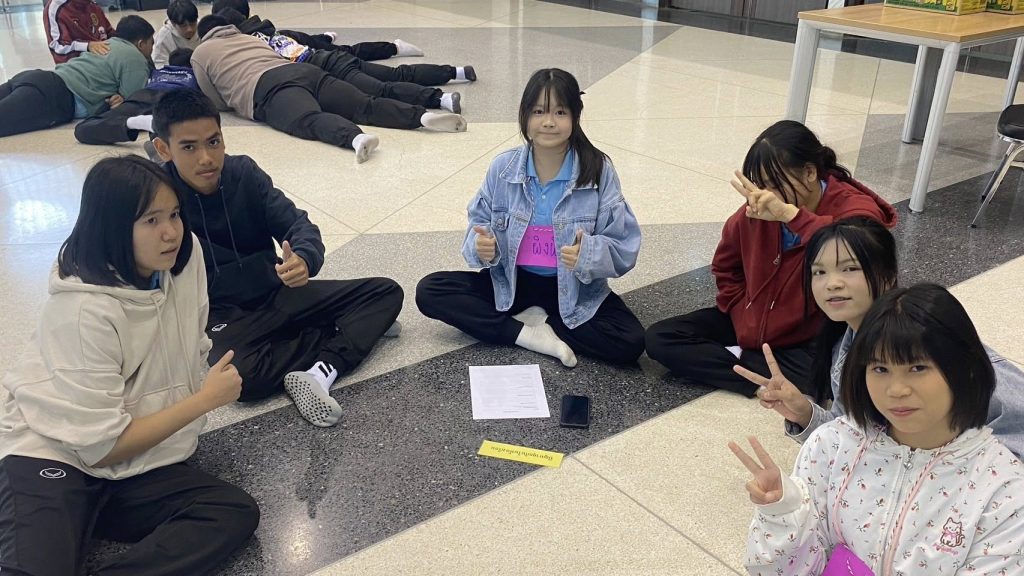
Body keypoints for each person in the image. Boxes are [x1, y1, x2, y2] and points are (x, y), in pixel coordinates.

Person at [0, 155, 259, 575]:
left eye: (174, 214)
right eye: (151, 220)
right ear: (114, 227)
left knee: (230, 511)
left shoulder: (183, 258)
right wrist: (205, 400)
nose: (171, 232)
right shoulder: (82, 312)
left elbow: (192, 338)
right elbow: (101, 447)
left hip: (134, 461)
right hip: (54, 454)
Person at [730, 283, 1024, 575]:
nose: (896, 390)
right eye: (880, 369)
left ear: (965, 368)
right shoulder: (831, 446)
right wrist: (783, 514)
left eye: (917, 368)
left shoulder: (1003, 489)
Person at [151, 89, 404, 427]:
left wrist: (303, 258)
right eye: (189, 147)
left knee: (385, 292)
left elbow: (297, 224)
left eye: (214, 142)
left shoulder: (243, 173)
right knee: (241, 378)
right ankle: (342, 333)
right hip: (222, 314)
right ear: (163, 149)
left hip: (277, 292)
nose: (206, 158)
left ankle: (319, 372)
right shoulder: (159, 198)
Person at [645, 120, 897, 397]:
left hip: (814, 332)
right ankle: (757, 376)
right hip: (755, 319)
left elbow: (857, 248)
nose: (764, 195)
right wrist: (743, 311)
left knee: (837, 378)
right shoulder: (754, 211)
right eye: (759, 184)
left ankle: (745, 361)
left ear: (810, 172)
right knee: (661, 337)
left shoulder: (854, 207)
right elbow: (725, 267)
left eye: (775, 183)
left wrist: (791, 216)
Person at [736, 217, 1024, 457]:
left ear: (887, 276)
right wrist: (803, 414)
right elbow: (850, 434)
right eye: (819, 272)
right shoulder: (845, 346)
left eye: (849, 268)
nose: (832, 283)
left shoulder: (938, 344)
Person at [416, 68, 644, 368]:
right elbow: (478, 223)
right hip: (512, 283)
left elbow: (624, 247)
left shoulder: (598, 170)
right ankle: (526, 334)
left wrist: (588, 254)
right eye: (538, 112)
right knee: (430, 290)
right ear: (524, 115)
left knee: (630, 342)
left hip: (572, 290)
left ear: (575, 116)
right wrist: (481, 246)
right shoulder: (503, 167)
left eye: (560, 112)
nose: (548, 122)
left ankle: (537, 321)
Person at [191, 15, 467, 164]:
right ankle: (422, 116)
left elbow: (214, 99)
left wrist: (236, 101)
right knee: (365, 104)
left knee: (310, 119)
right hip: (306, 71)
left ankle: (355, 138)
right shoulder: (250, 38)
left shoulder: (201, 53)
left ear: (204, 35)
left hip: (268, 87)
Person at [214, 8, 462, 113]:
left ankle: (439, 99)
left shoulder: (247, 48)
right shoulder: (275, 31)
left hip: (328, 70)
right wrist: (326, 37)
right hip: (332, 57)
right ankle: (456, 72)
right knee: (392, 75)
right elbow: (310, 40)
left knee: (380, 91)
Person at [0, 15, 153, 139]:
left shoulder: (106, 44)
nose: (152, 49)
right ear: (141, 43)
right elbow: (134, 104)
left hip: (38, 78)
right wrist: (120, 100)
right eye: (151, 43)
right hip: (55, 97)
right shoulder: (136, 58)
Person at [211, 0, 436, 64]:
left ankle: (394, 47)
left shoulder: (227, 41)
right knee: (318, 43)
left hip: (288, 41)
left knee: (345, 53)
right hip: (288, 39)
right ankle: (325, 37)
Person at [75, 48, 198, 146]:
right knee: (172, 130)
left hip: (143, 96)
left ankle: (134, 123)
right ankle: (157, 137)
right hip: (174, 99)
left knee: (82, 130)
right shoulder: (194, 74)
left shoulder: (158, 72)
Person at [44, 0, 113, 63]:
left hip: (104, 61)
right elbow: (57, 47)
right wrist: (87, 46)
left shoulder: (93, 5)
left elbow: (108, 32)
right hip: (78, 66)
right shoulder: (56, 8)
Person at [152, 0, 200, 69]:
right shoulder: (164, 36)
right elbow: (160, 64)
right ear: (173, 23)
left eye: (192, 24)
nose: (190, 29)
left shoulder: (202, 28)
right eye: (184, 26)